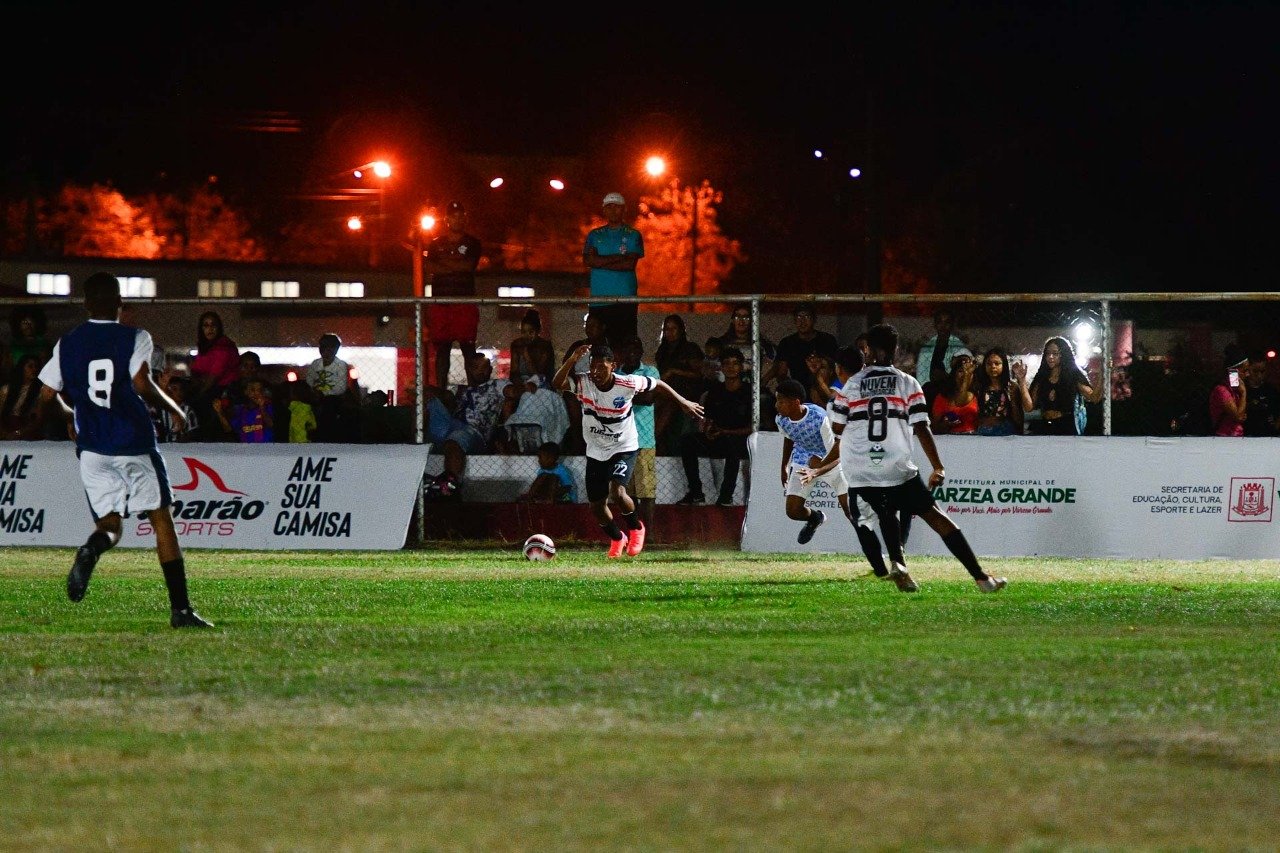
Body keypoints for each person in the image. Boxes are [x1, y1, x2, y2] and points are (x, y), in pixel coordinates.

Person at [36, 272, 213, 628]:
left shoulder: (67, 342)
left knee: (109, 524)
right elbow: (139, 381)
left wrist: (70, 414)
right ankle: (180, 610)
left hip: (92, 449)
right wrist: (175, 409)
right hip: (133, 441)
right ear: (120, 303)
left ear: (85, 304)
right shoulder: (135, 336)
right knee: (161, 519)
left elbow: (44, 395)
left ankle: (92, 549)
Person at [804, 323, 1007, 594]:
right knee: (935, 517)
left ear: (869, 351)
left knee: (887, 510)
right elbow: (922, 426)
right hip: (896, 466)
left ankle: (899, 565)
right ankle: (981, 578)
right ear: (894, 349)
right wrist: (937, 465)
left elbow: (837, 428)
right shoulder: (906, 382)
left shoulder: (852, 385)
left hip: (861, 471)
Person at [553, 342, 703, 558]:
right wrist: (572, 360)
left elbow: (658, 384)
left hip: (624, 447)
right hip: (596, 450)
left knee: (618, 492)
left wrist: (682, 401)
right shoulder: (583, 382)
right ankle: (617, 538)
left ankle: (636, 527)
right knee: (596, 507)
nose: (595, 372)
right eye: (592, 367)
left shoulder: (627, 383)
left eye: (601, 368)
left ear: (612, 366)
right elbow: (557, 383)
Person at [677, 346, 753, 507]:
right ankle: (696, 493)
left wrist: (726, 431)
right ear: (722, 367)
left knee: (733, 445)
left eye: (735, 363)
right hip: (718, 437)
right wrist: (708, 431)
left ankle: (726, 496)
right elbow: (707, 418)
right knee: (687, 441)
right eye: (727, 364)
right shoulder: (715, 391)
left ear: (741, 366)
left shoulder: (750, 392)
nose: (731, 367)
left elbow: (754, 426)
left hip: (740, 439)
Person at [427, 351, 505, 497]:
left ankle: (450, 485)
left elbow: (513, 391)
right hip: (451, 426)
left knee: (456, 438)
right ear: (469, 369)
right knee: (429, 400)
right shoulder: (460, 389)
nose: (481, 371)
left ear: (490, 370)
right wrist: (425, 390)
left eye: (485, 368)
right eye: (476, 367)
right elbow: (446, 396)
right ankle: (415, 443)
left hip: (474, 432)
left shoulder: (497, 385)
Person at [423, 200, 482, 390]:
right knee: (442, 350)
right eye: (453, 216)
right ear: (446, 219)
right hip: (442, 304)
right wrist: (455, 265)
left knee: (468, 349)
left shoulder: (472, 243)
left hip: (464, 302)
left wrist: (444, 266)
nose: (457, 220)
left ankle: (473, 390)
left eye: (460, 216)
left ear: (465, 219)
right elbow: (429, 267)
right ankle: (441, 390)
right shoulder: (435, 244)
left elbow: (468, 266)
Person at [583, 192, 644, 349]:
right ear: (604, 210)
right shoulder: (594, 235)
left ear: (624, 210)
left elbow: (629, 264)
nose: (613, 211)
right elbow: (589, 260)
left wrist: (600, 261)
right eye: (609, 207)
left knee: (624, 344)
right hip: (598, 300)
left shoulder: (633, 235)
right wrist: (619, 257)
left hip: (625, 300)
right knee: (597, 344)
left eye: (617, 207)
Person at [616, 334, 661, 527]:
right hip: (621, 441)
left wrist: (621, 397)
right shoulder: (616, 373)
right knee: (627, 492)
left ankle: (649, 534)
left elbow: (649, 398)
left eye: (636, 350)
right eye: (628, 350)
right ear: (622, 353)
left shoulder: (650, 371)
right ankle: (634, 532)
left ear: (641, 352)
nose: (632, 353)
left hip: (643, 440)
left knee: (646, 492)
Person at [1021, 335, 1104, 435]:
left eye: (1055, 353)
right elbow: (1028, 407)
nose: (1050, 357)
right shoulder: (1042, 377)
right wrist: (1021, 380)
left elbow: (1093, 397)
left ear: (1063, 355)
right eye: (1047, 353)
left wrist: (1101, 374)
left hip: (1066, 426)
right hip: (1045, 426)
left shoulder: (1072, 376)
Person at [653, 314, 706, 454]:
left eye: (673, 328)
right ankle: (656, 442)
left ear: (681, 330)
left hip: (686, 392)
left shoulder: (690, 348)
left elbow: (699, 374)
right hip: (666, 391)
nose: (670, 332)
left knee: (669, 406)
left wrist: (674, 371)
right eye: (667, 329)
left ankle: (652, 439)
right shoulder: (662, 351)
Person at [189, 310, 239, 441]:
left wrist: (199, 393)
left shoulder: (223, 346)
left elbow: (214, 375)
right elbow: (196, 370)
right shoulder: (205, 347)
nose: (209, 329)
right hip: (209, 387)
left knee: (197, 404)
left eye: (213, 325)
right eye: (206, 325)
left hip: (223, 389)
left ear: (219, 327)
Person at [914, 309, 971, 411]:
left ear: (952, 325)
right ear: (935, 324)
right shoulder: (927, 348)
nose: (943, 326)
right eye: (939, 322)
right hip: (929, 392)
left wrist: (945, 376)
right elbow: (921, 377)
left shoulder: (959, 347)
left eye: (947, 322)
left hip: (951, 392)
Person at [499, 374, 570, 454]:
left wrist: (532, 383)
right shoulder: (511, 401)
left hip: (545, 403)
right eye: (507, 394)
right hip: (527, 411)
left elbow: (543, 379)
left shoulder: (534, 382)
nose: (511, 393)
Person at [774, 306, 839, 392]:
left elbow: (836, 368)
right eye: (799, 316)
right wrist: (792, 389)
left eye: (807, 317)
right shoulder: (787, 343)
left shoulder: (827, 340)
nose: (802, 321)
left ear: (814, 319)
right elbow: (781, 373)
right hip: (798, 392)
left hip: (824, 389)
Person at [305, 332, 355, 442]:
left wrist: (323, 393)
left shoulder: (340, 365)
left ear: (335, 349)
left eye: (330, 347)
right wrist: (313, 393)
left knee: (329, 407)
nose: (326, 350)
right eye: (323, 347)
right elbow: (309, 381)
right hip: (315, 397)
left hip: (332, 399)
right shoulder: (315, 364)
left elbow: (341, 388)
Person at [974, 346, 1025, 436]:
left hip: (1006, 432)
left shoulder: (1011, 386)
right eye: (989, 364)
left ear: (1004, 365)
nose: (993, 366)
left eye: (997, 363)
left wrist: (1012, 399)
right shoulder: (979, 387)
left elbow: (1019, 417)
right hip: (984, 431)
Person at [930, 353, 979, 435]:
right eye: (960, 371)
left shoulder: (979, 395)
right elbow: (934, 427)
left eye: (969, 372)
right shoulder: (942, 397)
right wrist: (945, 425)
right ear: (954, 374)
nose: (964, 375)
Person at [1206, 343, 1249, 437]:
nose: (1247, 374)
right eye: (1244, 371)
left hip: (1237, 437)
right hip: (1224, 438)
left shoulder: (1235, 390)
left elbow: (1241, 415)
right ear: (1233, 371)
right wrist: (1243, 393)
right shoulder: (1221, 390)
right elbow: (1238, 416)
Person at [0, 354, 46, 440]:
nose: (34, 369)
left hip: (26, 432)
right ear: (22, 368)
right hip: (6, 430)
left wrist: (18, 433)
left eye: (36, 366)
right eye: (30, 366)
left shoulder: (40, 391)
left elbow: (39, 420)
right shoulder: (6, 389)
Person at [508, 308, 556, 389]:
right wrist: (520, 385)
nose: (527, 336)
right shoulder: (517, 345)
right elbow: (513, 373)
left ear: (538, 331)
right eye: (523, 332)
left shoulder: (544, 346)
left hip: (541, 384)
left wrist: (526, 355)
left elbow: (538, 375)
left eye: (531, 332)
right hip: (522, 383)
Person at [218, 378, 274, 443]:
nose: (256, 393)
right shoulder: (240, 410)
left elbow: (271, 424)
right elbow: (228, 429)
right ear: (246, 392)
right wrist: (219, 412)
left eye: (259, 390)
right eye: (252, 390)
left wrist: (262, 407)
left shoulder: (268, 407)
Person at [1242, 350, 1280, 437]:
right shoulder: (1242, 389)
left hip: (1267, 435)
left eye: (1262, 371)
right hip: (1246, 436)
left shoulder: (1270, 390)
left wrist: (1275, 428)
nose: (1259, 375)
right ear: (1248, 370)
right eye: (1255, 371)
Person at [156, 375, 198, 443]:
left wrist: (176, 444)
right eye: (174, 389)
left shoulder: (187, 410)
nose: (179, 392)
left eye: (181, 389)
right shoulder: (158, 409)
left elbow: (192, 434)